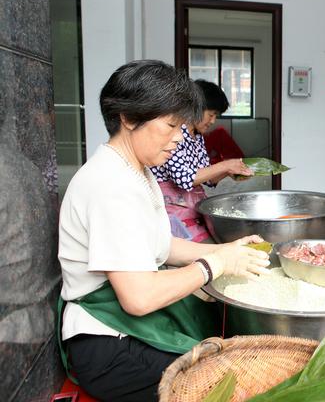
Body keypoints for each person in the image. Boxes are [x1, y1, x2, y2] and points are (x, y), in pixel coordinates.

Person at [58, 60, 271, 401]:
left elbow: (162, 246)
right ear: (128, 118)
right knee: (234, 383)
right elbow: (139, 298)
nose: (178, 139)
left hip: (126, 333)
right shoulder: (109, 185)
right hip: (109, 348)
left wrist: (228, 251)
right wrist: (213, 266)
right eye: (171, 125)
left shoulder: (136, 171)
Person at [151, 79, 252, 242]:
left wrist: (229, 172)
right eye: (210, 114)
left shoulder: (197, 137)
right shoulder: (173, 134)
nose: (213, 121)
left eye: (216, 116)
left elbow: (209, 177)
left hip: (192, 205)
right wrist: (225, 164)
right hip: (171, 210)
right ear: (194, 108)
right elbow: (184, 179)